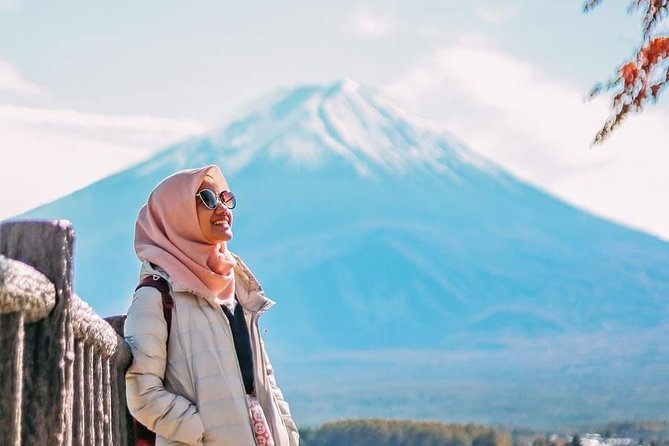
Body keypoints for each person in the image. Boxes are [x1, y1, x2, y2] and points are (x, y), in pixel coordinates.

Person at [124, 165, 299, 446]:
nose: (222, 208)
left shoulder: (237, 286)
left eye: (225, 198)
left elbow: (262, 376)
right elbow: (142, 392)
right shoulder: (156, 295)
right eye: (206, 198)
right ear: (175, 215)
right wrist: (204, 432)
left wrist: (286, 431)